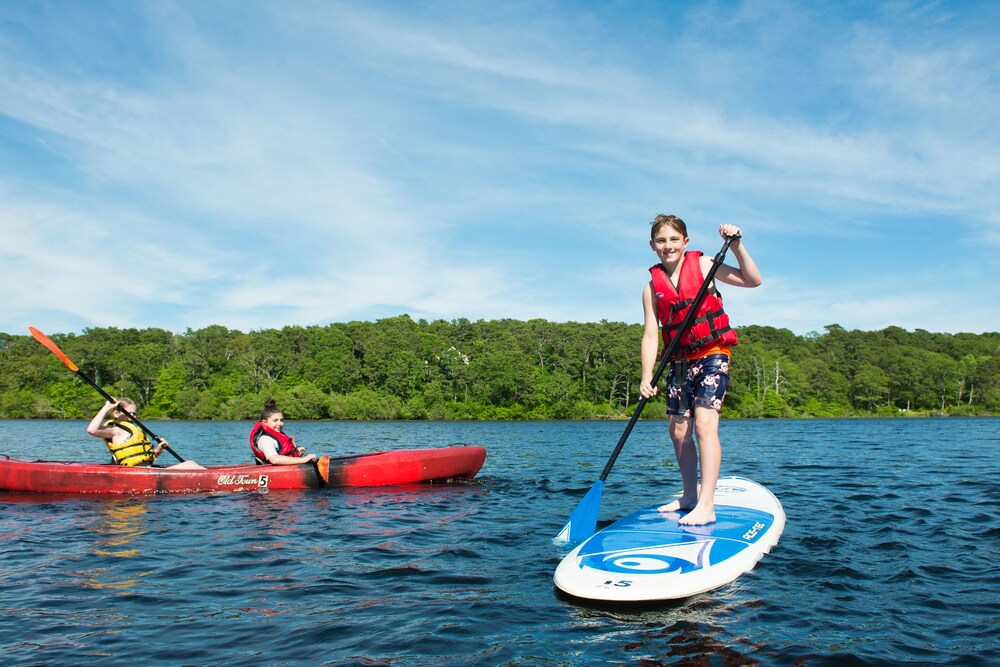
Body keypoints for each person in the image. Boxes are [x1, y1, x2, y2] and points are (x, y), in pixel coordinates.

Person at [639, 214, 762, 525]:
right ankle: (689, 495)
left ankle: (706, 504)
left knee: (705, 423)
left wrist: (736, 246)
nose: (668, 246)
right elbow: (651, 334)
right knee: (678, 430)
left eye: (674, 239)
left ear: (686, 242)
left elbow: (752, 280)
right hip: (679, 360)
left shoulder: (706, 265)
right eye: (661, 241)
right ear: (653, 246)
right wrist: (645, 376)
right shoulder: (651, 288)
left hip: (712, 353)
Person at [86, 398, 202, 468]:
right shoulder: (115, 430)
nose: (133, 416)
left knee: (191, 463)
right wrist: (107, 407)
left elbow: (143, 459)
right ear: (116, 414)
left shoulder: (132, 430)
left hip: (147, 470)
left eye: (135, 413)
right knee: (190, 465)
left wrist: (157, 451)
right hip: (138, 473)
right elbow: (92, 430)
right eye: (129, 413)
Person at [249, 398, 318, 465]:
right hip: (275, 473)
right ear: (264, 423)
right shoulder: (265, 439)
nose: (280, 423)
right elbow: (274, 459)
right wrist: (303, 459)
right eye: (275, 420)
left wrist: (297, 451)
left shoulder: (280, 435)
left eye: (281, 420)